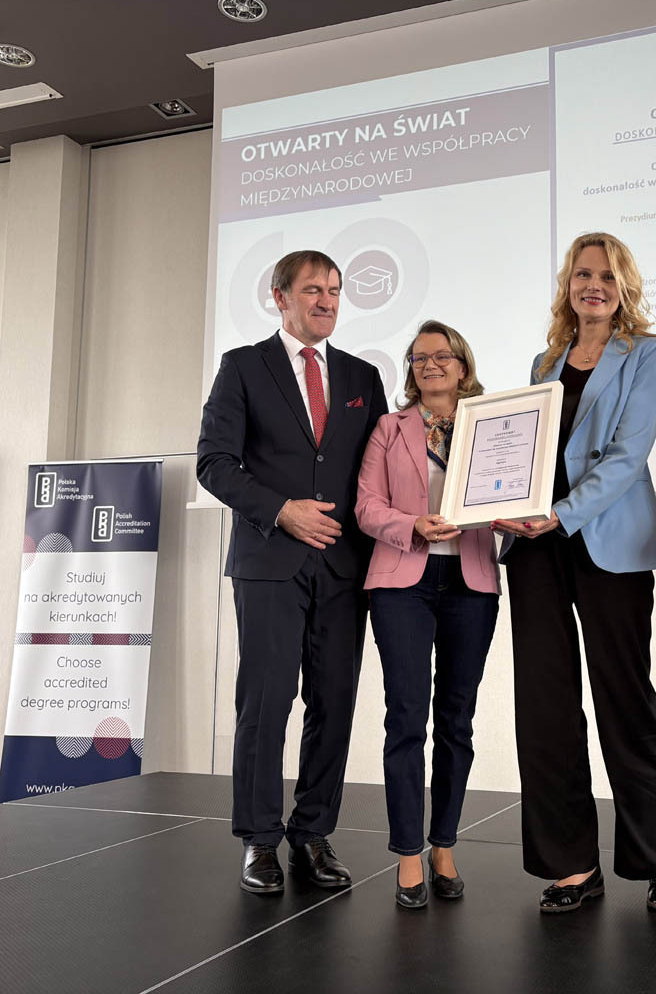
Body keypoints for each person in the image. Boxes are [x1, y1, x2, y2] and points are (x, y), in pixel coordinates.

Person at [493, 232, 656, 914]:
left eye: (606, 275)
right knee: (545, 706)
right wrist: (504, 501)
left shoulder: (646, 353)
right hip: (536, 547)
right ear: (567, 285)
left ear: (623, 284)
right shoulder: (544, 362)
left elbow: (630, 455)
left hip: (606, 541)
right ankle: (571, 864)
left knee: (625, 699)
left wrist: (562, 513)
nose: (593, 285)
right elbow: (526, 452)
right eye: (582, 274)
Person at [197, 249, 387, 895]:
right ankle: (258, 839)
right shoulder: (243, 367)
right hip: (270, 561)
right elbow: (214, 463)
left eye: (334, 290)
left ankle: (313, 833)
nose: (327, 301)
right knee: (266, 701)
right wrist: (282, 511)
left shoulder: (362, 375)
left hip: (344, 565)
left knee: (333, 702)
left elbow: (380, 470)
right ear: (279, 296)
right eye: (313, 290)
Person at [356, 321, 500, 909]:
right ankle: (408, 854)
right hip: (402, 585)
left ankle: (444, 845)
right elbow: (366, 507)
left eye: (442, 356)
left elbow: (509, 492)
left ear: (463, 365)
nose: (430, 365)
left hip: (472, 582)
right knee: (406, 718)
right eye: (419, 358)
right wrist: (411, 524)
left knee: (457, 721)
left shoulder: (494, 425)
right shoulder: (389, 428)